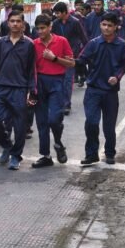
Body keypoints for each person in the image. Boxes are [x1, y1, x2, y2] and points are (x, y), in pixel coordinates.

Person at [0, 10, 37, 171]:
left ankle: (15, 155)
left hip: (19, 88)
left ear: (23, 24)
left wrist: (31, 90)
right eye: (12, 21)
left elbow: (31, 69)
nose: (15, 24)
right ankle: (7, 145)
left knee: (20, 125)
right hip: (0, 87)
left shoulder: (29, 44)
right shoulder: (0, 42)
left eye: (18, 21)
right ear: (8, 23)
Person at [76, 13, 125, 166]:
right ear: (100, 25)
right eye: (104, 24)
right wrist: (78, 70)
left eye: (110, 25)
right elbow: (81, 60)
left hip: (110, 92)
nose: (106, 28)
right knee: (91, 123)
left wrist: (117, 77)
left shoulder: (120, 45)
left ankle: (110, 153)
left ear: (115, 27)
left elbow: (124, 64)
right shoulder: (93, 43)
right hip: (93, 90)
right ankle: (91, 154)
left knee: (109, 126)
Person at [31, 14, 75, 168]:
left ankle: (58, 142)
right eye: (38, 29)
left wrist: (55, 58)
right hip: (39, 82)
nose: (40, 31)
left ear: (50, 27)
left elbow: (71, 63)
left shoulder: (61, 41)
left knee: (54, 119)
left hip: (57, 82)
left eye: (43, 28)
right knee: (41, 121)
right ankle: (45, 155)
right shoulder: (34, 44)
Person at [52, 1, 87, 116]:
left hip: (70, 57)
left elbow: (84, 39)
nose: (56, 15)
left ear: (64, 12)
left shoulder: (75, 22)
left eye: (58, 13)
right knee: (58, 81)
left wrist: (82, 54)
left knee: (67, 81)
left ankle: (66, 104)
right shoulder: (55, 23)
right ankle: (59, 102)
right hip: (57, 57)